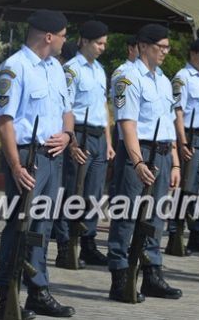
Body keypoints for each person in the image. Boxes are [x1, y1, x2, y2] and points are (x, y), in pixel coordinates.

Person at [0, 9, 75, 318]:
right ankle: (6, 297)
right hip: (27, 158)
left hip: (52, 157)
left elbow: (67, 110)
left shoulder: (55, 67)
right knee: (19, 227)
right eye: (64, 36)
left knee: (42, 227)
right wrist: (16, 166)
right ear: (49, 37)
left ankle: (38, 291)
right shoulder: (14, 68)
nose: (65, 42)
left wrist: (68, 135)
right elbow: (4, 122)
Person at [107, 23, 182, 303]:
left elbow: (169, 124)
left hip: (162, 153)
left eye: (167, 47)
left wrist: (175, 162)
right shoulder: (128, 77)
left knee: (155, 218)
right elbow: (127, 123)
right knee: (127, 217)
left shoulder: (162, 79)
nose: (165, 52)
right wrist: (137, 162)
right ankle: (120, 277)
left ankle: (151, 273)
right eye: (160, 47)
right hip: (139, 153)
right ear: (143, 46)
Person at [53, 20, 115, 268]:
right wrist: (72, 143)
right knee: (71, 192)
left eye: (104, 44)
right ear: (85, 42)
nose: (102, 48)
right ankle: (65, 245)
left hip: (99, 136)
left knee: (94, 195)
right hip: (79, 135)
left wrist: (109, 142)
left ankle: (88, 243)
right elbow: (64, 108)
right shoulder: (71, 70)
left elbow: (103, 107)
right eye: (99, 43)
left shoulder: (100, 69)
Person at [166, 37, 199, 253]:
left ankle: (197, 233)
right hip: (191, 136)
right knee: (184, 188)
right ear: (193, 55)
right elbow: (177, 112)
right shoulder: (182, 78)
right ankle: (174, 233)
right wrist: (183, 141)